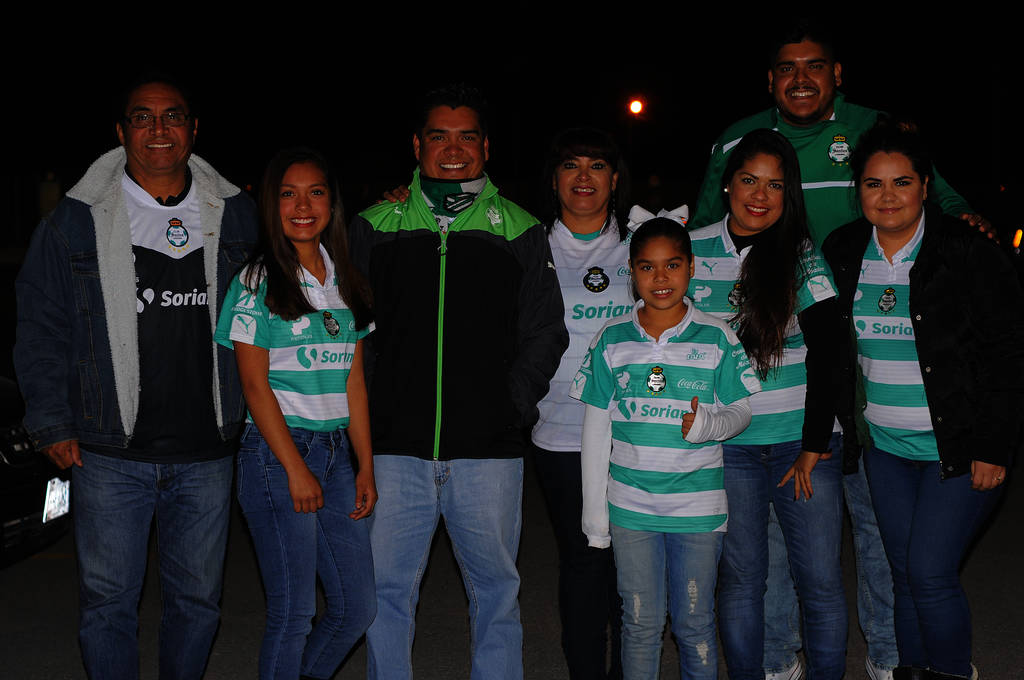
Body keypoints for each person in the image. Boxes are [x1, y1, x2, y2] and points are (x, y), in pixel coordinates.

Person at [688, 21, 992, 679]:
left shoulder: (872, 128)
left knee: (878, 537)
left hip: (860, 368)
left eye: (815, 66)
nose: (801, 78)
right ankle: (778, 657)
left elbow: (933, 191)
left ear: (837, 74)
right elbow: (700, 226)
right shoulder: (736, 139)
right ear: (770, 80)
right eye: (787, 68)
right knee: (767, 552)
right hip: (784, 385)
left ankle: (889, 657)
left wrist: (965, 217)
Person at [13, 76, 256, 679]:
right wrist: (52, 423)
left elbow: (303, 248)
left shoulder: (236, 213)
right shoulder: (75, 221)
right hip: (108, 454)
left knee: (197, 604)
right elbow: (41, 326)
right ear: (121, 132)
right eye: (142, 118)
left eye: (172, 117)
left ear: (193, 129)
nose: (158, 130)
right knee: (107, 606)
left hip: (207, 451)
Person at [347, 84, 568, 680]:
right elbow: (349, 331)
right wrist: (370, 416)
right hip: (393, 449)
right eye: (438, 137)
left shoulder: (519, 227)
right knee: (385, 591)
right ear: (417, 145)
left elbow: (546, 331)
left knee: (496, 591)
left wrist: (508, 406)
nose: (453, 149)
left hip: (489, 450)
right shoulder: (374, 224)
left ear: (486, 147)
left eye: (466, 137)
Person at [822, 122, 1023, 680]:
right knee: (905, 575)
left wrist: (994, 446)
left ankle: (953, 672)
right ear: (858, 190)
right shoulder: (843, 250)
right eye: (873, 184)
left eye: (902, 182)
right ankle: (913, 671)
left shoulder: (967, 251)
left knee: (930, 573)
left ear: (926, 187)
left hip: (956, 448)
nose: (887, 196)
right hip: (885, 449)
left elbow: (1008, 353)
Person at [572, 215, 761, 680]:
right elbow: (595, 430)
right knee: (640, 624)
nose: (660, 278)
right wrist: (595, 519)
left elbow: (742, 411)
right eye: (647, 267)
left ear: (691, 268)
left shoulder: (717, 335)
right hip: (631, 507)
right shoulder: (611, 337)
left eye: (672, 265)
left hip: (698, 510)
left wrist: (708, 425)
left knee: (694, 624)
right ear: (632, 272)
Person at [688, 129, 847, 679]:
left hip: (800, 448)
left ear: (789, 194)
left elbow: (830, 354)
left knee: (819, 583)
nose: (760, 195)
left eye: (775, 185)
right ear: (728, 184)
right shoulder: (691, 250)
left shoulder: (801, 255)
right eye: (749, 180)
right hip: (727, 448)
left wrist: (813, 445)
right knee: (741, 581)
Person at [214, 148, 376, 680]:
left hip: (335, 456)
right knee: (293, 614)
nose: (303, 206)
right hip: (278, 456)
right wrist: (294, 468)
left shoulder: (345, 279)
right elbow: (254, 385)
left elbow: (353, 381)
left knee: (356, 608)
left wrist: (365, 466)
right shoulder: (257, 280)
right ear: (272, 204)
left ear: (332, 203)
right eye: (289, 194)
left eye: (315, 193)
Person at [531, 127, 629, 680]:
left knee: (631, 567)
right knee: (584, 562)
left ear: (615, 179)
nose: (584, 177)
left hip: (638, 435)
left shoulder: (643, 241)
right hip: (560, 435)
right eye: (571, 165)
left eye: (597, 165)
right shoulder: (529, 246)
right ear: (554, 180)